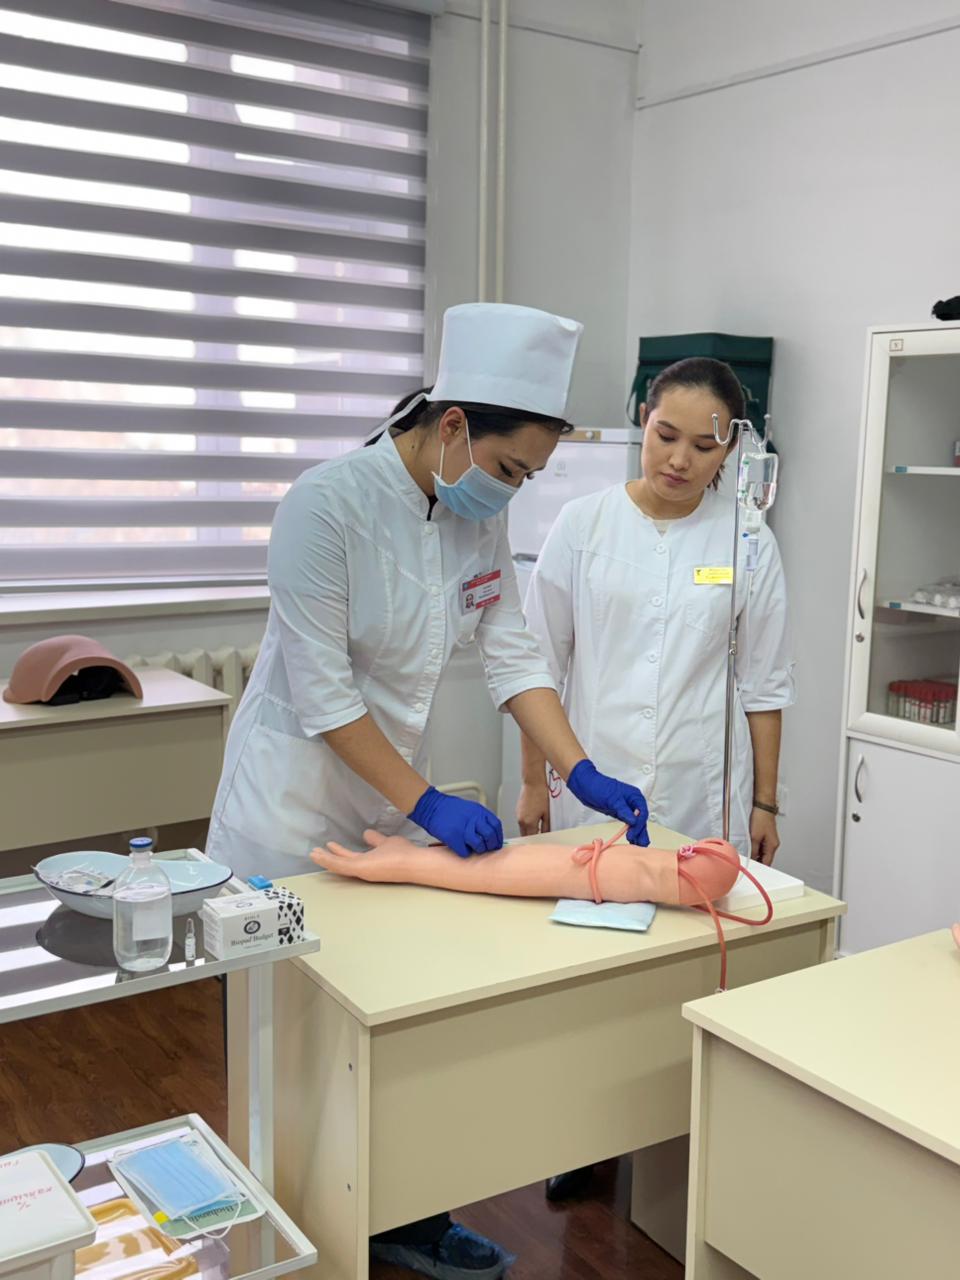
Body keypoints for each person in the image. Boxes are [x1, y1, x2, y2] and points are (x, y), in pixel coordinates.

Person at [206, 302, 652, 1280]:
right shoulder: (324, 506)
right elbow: (324, 695)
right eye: (511, 469)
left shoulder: (472, 516)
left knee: (391, 1026)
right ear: (452, 425)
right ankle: (282, 1230)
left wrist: (577, 767)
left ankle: (402, 1218)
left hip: (383, 806)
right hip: (286, 809)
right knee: (285, 1041)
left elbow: (512, 650)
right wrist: (428, 803)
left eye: (527, 477)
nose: (513, 491)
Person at [517, 357, 795, 1202]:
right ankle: (584, 1135)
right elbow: (533, 667)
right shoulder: (583, 525)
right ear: (643, 419)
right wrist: (532, 784)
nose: (678, 460)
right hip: (591, 782)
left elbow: (766, 683)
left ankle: (677, 1133)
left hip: (699, 787)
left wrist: (766, 801)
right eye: (665, 435)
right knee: (590, 965)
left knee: (682, 964)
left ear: (730, 450)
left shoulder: (748, 539)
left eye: (702, 447)